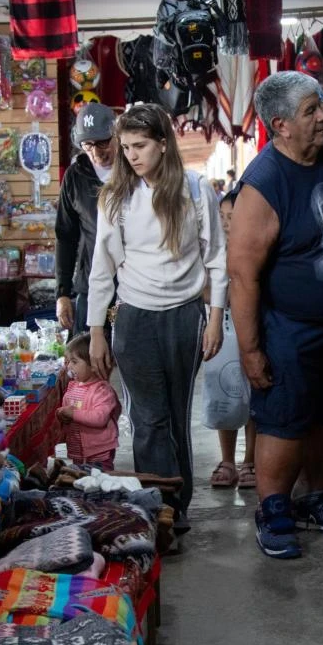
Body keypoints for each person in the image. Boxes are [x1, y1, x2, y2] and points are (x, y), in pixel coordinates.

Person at [227, 70, 323, 559]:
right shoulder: (263, 183)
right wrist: (250, 350)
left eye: (321, 105)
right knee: (283, 419)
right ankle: (273, 507)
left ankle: (314, 496)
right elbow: (243, 275)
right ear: (280, 125)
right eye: (310, 111)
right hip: (287, 325)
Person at [87, 103, 227, 531]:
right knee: (148, 420)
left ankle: (177, 506)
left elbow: (216, 257)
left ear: (163, 144)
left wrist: (216, 318)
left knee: (175, 416)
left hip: (185, 317)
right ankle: (158, 508)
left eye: (141, 145)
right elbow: (102, 268)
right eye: (126, 146)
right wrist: (96, 330)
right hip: (134, 319)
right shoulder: (115, 195)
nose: (131, 155)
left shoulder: (195, 188)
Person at [55, 103, 118, 336]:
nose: (96, 152)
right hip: (90, 286)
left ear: (116, 135)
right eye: (88, 145)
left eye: (103, 142)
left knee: (125, 352)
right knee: (86, 353)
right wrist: (62, 293)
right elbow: (65, 236)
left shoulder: (133, 171)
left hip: (132, 289)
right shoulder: (75, 176)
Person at [208, 191, 257, 489]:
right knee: (223, 391)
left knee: (253, 393)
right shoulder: (213, 251)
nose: (226, 223)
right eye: (222, 217)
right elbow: (203, 289)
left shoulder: (257, 247)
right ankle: (227, 460)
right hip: (223, 329)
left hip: (253, 328)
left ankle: (250, 460)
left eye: (232, 217)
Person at [57, 332, 121, 470]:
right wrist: (63, 416)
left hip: (99, 453)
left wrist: (73, 414)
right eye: (67, 361)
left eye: (74, 362)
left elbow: (100, 418)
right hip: (78, 451)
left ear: (93, 365)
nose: (69, 366)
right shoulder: (72, 387)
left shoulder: (102, 390)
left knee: (100, 480)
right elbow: (68, 415)